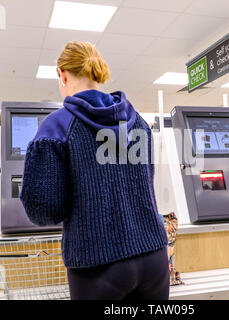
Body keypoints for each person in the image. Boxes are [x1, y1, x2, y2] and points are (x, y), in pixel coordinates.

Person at [20, 41, 169, 300]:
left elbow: (43, 209)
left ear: (62, 74)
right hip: (153, 258)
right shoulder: (139, 122)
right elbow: (145, 184)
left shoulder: (57, 127)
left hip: (98, 266)